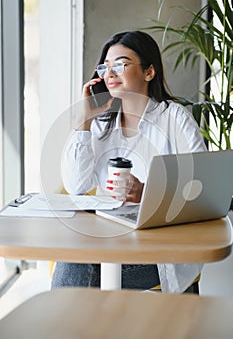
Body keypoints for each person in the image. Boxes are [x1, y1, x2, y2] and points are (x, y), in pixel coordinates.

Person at [51, 30, 206, 293]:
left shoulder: (174, 118)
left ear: (149, 72)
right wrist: (84, 121)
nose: (110, 73)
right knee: (78, 258)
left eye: (121, 64)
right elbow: (76, 185)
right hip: (107, 238)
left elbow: (202, 189)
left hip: (157, 249)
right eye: (105, 67)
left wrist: (148, 192)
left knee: (79, 264)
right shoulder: (100, 124)